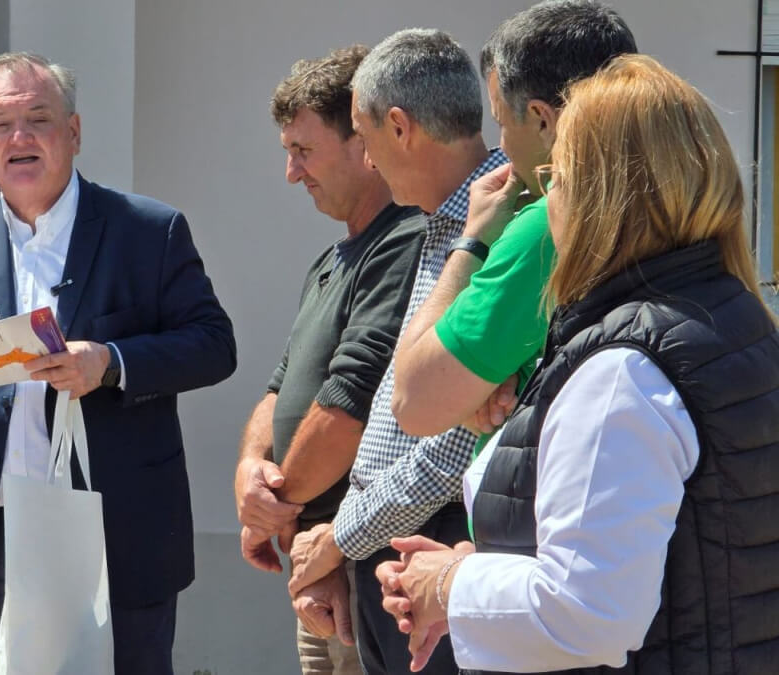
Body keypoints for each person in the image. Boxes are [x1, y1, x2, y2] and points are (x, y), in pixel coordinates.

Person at [377, 54, 779, 675]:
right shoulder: (736, 322)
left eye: (557, 176)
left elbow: (584, 613)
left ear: (605, 197)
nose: (548, 197)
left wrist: (451, 583)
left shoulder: (627, 369)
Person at [0, 51, 236, 674]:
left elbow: (214, 344)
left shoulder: (147, 230)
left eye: (39, 118)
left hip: (114, 530)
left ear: (74, 132)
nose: (19, 137)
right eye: (1, 124)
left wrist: (109, 361)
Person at [286, 29, 506, 675]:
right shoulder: (441, 222)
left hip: (440, 544)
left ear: (402, 127)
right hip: (392, 548)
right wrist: (348, 544)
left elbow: (459, 440)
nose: (368, 160)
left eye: (365, 134)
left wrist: (342, 536)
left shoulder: (498, 229)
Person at [234, 44, 425, 674]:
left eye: (304, 151)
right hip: (316, 565)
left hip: (360, 566)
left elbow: (349, 407)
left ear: (364, 145)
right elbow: (279, 389)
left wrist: (272, 511)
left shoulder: (405, 243)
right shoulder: (332, 260)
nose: (293, 173)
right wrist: (248, 474)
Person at [389, 1, 637, 452]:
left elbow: (413, 401)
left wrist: (473, 241)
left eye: (501, 122)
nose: (500, 144)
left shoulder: (548, 228)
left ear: (543, 120)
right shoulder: (676, 203)